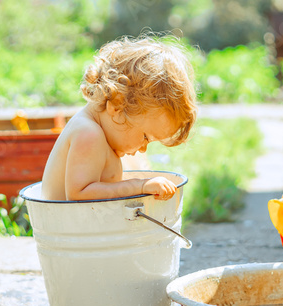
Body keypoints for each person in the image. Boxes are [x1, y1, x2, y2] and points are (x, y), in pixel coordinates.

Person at [41, 34, 197, 201]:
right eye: (145, 137)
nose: (143, 149)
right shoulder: (88, 133)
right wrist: (140, 186)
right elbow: (79, 194)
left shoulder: (101, 132)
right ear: (117, 106)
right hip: (63, 226)